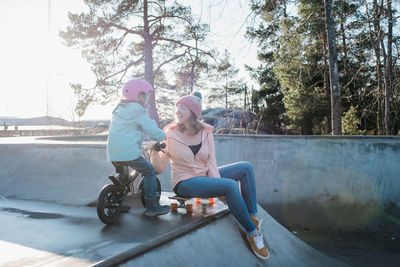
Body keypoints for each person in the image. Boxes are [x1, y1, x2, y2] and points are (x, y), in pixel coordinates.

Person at [150, 92, 269, 260]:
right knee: (229, 185)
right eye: (177, 107)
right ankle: (253, 233)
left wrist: (216, 185)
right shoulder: (169, 133)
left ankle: (253, 217)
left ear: (193, 112)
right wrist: (155, 152)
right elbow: (160, 167)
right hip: (184, 182)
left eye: (182, 107)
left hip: (204, 174)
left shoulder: (206, 132)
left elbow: (211, 162)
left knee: (245, 168)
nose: (178, 110)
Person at [107, 79, 170, 217]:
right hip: (129, 152)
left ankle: (117, 202)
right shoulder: (139, 111)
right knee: (149, 170)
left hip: (113, 152)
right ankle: (152, 206)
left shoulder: (119, 110)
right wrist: (162, 135)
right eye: (146, 95)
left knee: (122, 178)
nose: (147, 98)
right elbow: (151, 129)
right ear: (140, 95)